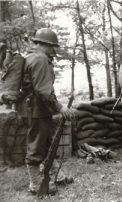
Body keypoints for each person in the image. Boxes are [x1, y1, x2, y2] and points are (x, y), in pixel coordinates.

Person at [15, 28, 74, 195]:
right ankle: (35, 184)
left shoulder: (34, 57)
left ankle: (58, 176)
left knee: (49, 143)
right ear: (45, 44)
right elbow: (42, 91)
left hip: (38, 108)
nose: (54, 49)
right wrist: (60, 107)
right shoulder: (40, 59)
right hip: (36, 110)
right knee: (36, 146)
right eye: (52, 46)